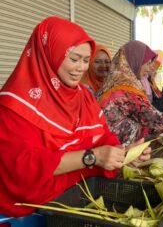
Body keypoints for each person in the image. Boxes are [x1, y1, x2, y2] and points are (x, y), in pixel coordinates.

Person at [0, 17, 151, 217]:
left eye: (86, 60)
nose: (81, 67)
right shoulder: (15, 105)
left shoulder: (83, 98)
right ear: (49, 53)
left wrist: (123, 155)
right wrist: (91, 157)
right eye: (74, 59)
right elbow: (22, 168)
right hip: (34, 213)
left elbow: (103, 138)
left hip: (78, 202)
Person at [97, 40, 163, 146]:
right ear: (135, 60)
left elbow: (144, 120)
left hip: (120, 150)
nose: (149, 69)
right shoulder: (124, 88)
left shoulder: (120, 82)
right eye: (147, 63)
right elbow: (152, 117)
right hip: (113, 153)